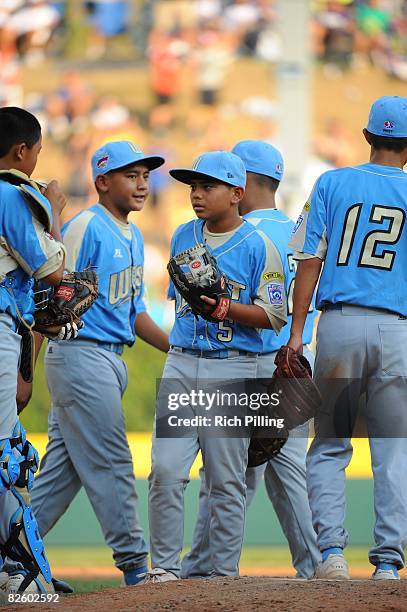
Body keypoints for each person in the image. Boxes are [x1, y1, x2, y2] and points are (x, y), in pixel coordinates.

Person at [26, 141, 170, 586]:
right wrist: (25, 373)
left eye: (145, 175)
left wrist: (181, 350)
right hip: (80, 355)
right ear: (102, 182)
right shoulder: (85, 225)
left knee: (58, 478)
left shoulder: (134, 235)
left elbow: (136, 313)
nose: (142, 184)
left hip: (110, 360)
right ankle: (135, 569)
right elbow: (45, 301)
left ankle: (11, 559)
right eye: (131, 175)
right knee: (113, 461)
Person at [181, 140, 320, 580]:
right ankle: (312, 565)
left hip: (253, 359)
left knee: (231, 476)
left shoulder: (243, 235)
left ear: (240, 183)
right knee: (265, 471)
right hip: (296, 360)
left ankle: (204, 566)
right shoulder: (298, 229)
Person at [147, 150, 287, 582]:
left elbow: (274, 316)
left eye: (208, 186)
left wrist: (228, 309)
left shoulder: (258, 245)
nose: (197, 194)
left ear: (237, 193)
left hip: (232, 368)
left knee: (227, 482)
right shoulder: (182, 236)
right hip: (182, 361)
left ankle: (223, 577)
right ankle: (166, 570)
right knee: (166, 472)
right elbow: (182, 305)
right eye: (193, 186)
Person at [287, 95, 407, 580]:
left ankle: (332, 556)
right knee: (394, 449)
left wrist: (296, 334)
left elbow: (308, 261)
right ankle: (389, 564)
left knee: (332, 444)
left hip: (338, 325)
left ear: (367, 137)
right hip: (397, 329)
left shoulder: (332, 182)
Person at [0, 106, 66, 596]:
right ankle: (20, 574)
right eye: (37, 151)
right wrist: (56, 215)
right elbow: (51, 273)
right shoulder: (10, 194)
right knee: (5, 453)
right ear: (22, 151)